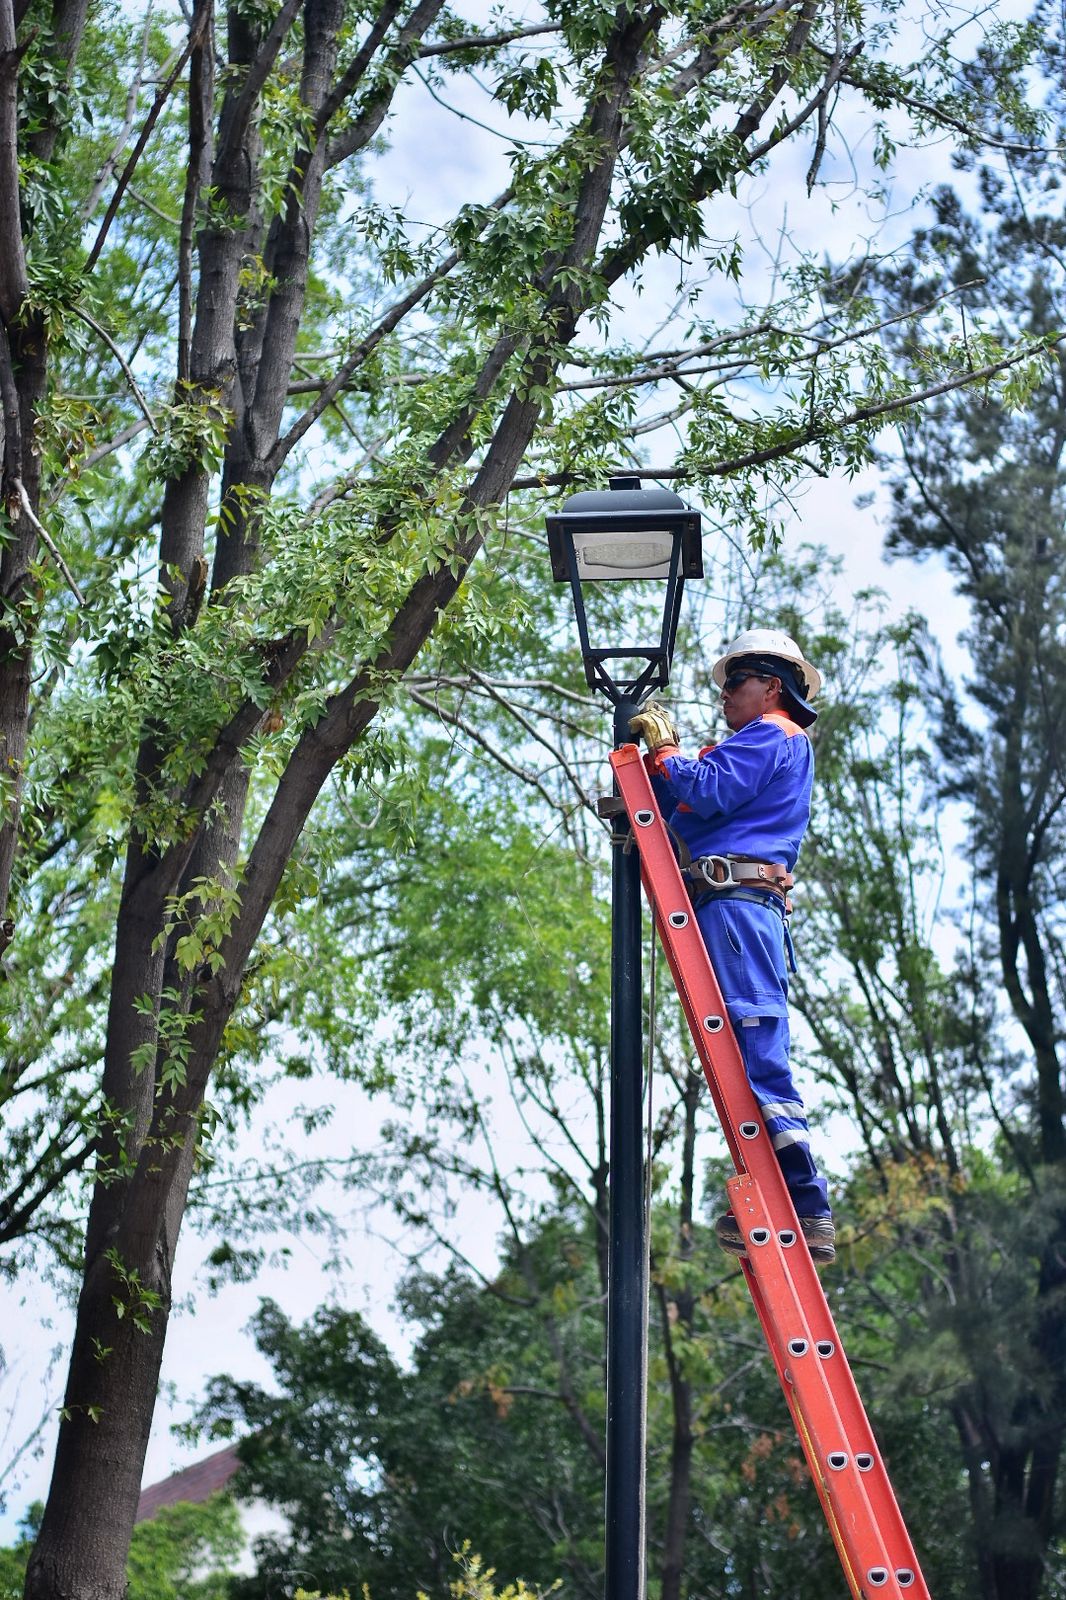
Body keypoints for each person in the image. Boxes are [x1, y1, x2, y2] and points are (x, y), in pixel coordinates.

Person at [629, 628, 834, 1266]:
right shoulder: (761, 745)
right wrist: (657, 771)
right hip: (739, 905)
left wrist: (665, 751)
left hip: (740, 907)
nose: (724, 698)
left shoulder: (772, 734)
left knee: (754, 1043)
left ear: (772, 686)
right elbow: (691, 807)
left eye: (734, 685)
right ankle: (784, 1201)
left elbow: (708, 790)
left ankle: (804, 1200)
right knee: (745, 1052)